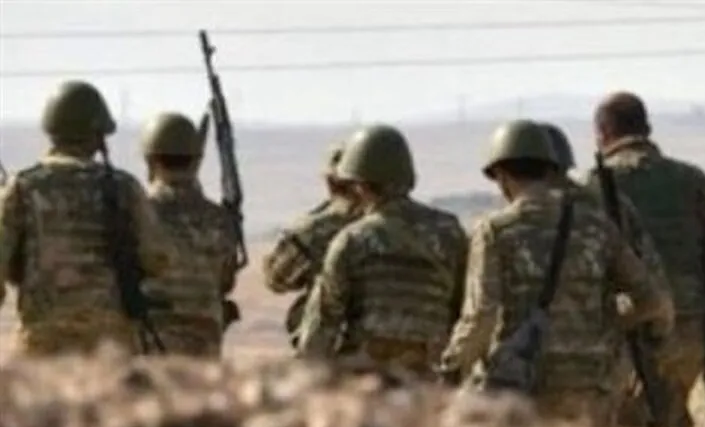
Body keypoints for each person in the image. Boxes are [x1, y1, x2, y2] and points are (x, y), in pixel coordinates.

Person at [439, 119, 673, 427]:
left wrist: (450, 373)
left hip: (524, 386)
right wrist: (607, 322)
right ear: (551, 170)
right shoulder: (597, 226)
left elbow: (480, 317)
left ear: (501, 175)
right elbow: (653, 300)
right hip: (591, 385)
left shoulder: (495, 231)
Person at [584, 91, 705, 427]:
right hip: (689, 337)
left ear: (603, 133)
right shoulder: (696, 182)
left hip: (624, 334)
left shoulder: (592, 188)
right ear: (647, 128)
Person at [541, 121, 683, 427]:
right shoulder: (607, 205)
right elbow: (655, 297)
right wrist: (616, 325)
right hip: (605, 368)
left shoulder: (510, 222)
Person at [0, 79, 172, 355]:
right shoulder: (124, 187)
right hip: (110, 343)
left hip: (42, 341)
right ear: (98, 134)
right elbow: (157, 259)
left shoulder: (22, 187)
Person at [295, 124, 467, 377]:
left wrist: (308, 381)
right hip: (429, 376)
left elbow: (323, 323)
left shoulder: (352, 240)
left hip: (367, 378)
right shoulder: (449, 231)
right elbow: (464, 308)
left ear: (359, 185)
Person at [140, 111, 239, 358]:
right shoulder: (219, 219)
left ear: (151, 159)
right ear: (196, 160)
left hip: (151, 347)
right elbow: (225, 281)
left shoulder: (138, 213)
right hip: (204, 348)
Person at [263, 142, 361, 349]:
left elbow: (276, 280)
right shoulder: (408, 224)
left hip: (332, 345)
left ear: (331, 182)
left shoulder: (316, 228)